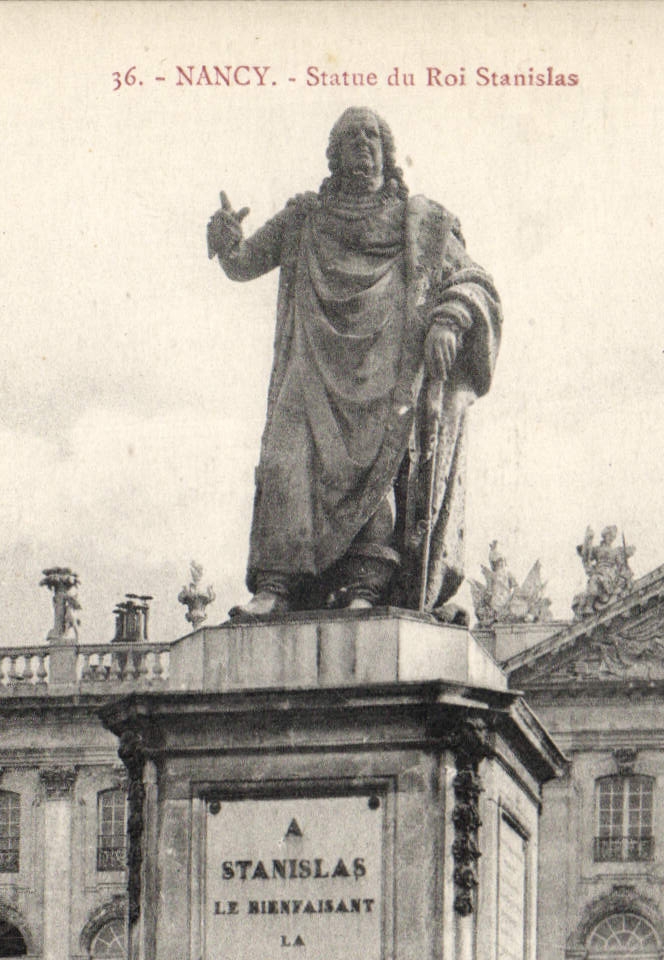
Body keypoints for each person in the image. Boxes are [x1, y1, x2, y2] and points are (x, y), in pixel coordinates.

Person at [207, 107, 501, 618]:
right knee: (285, 456)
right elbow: (243, 262)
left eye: (371, 135)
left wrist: (450, 318)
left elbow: (476, 281)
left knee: (379, 472)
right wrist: (226, 241)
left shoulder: (423, 222)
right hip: (312, 364)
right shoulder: (305, 218)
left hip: (386, 370)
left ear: (388, 151)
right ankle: (277, 584)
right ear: (334, 154)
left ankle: (365, 584)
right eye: (350, 137)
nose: (362, 144)